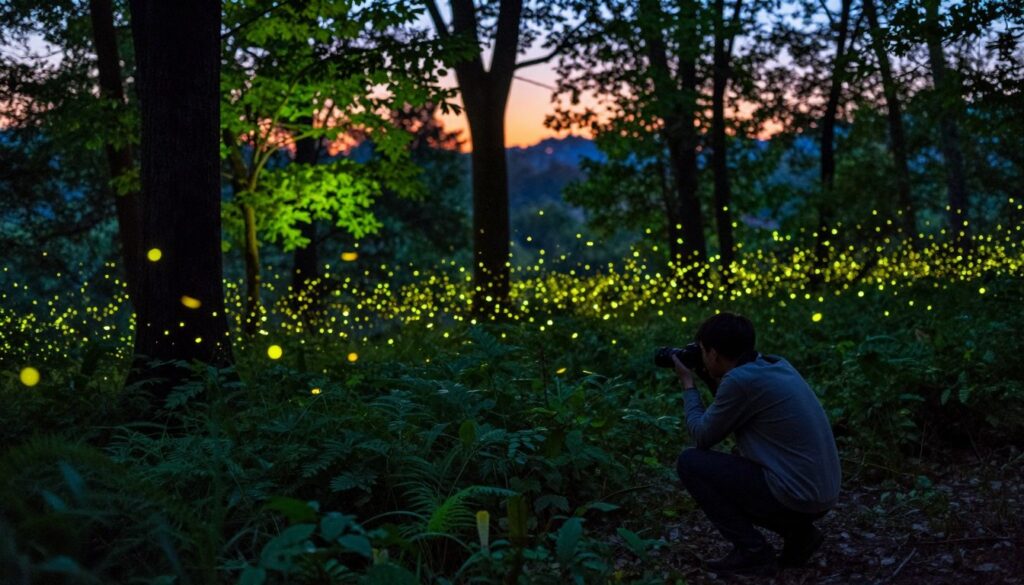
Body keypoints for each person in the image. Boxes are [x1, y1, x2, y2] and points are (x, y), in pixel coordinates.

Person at [669, 312, 841, 575]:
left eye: (702, 351)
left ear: (714, 354)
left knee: (691, 463)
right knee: (738, 468)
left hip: (798, 495)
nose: (701, 357)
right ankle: (801, 535)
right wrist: (708, 376)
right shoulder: (775, 364)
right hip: (822, 492)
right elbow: (727, 410)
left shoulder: (740, 381)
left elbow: (702, 436)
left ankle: (753, 552)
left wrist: (688, 383)